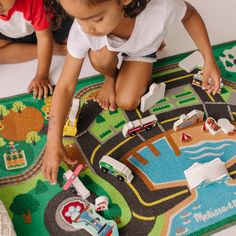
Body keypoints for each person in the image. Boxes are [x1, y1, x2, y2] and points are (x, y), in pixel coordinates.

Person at [42, 0, 221, 184]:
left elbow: (190, 14)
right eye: (78, 19)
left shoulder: (162, 7)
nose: (87, 29)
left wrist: (208, 58)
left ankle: (144, 50)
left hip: (141, 50)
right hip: (105, 53)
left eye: (96, 18)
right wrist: (53, 140)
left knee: (127, 101)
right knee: (101, 57)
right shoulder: (84, 30)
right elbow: (64, 86)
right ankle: (110, 78)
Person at [0, 0, 73, 99]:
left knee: (73, 41)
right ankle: (55, 49)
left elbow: (44, 38)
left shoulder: (33, 2)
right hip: (16, 31)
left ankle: (50, 47)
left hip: (49, 24)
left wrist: (41, 75)